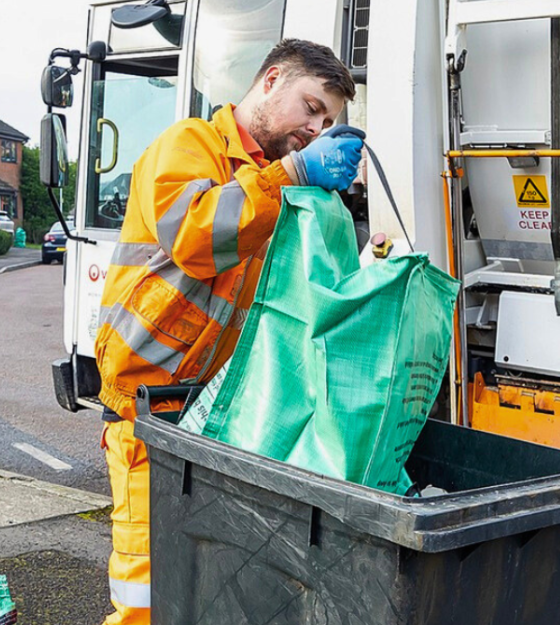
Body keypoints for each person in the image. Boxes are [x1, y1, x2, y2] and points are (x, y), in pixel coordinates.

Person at [94, 38, 362, 625]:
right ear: (269, 81)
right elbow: (196, 237)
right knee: (146, 599)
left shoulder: (275, 184)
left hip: (216, 419)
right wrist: (293, 174)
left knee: (209, 588)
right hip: (148, 415)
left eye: (329, 122)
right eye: (311, 107)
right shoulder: (190, 144)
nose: (317, 129)